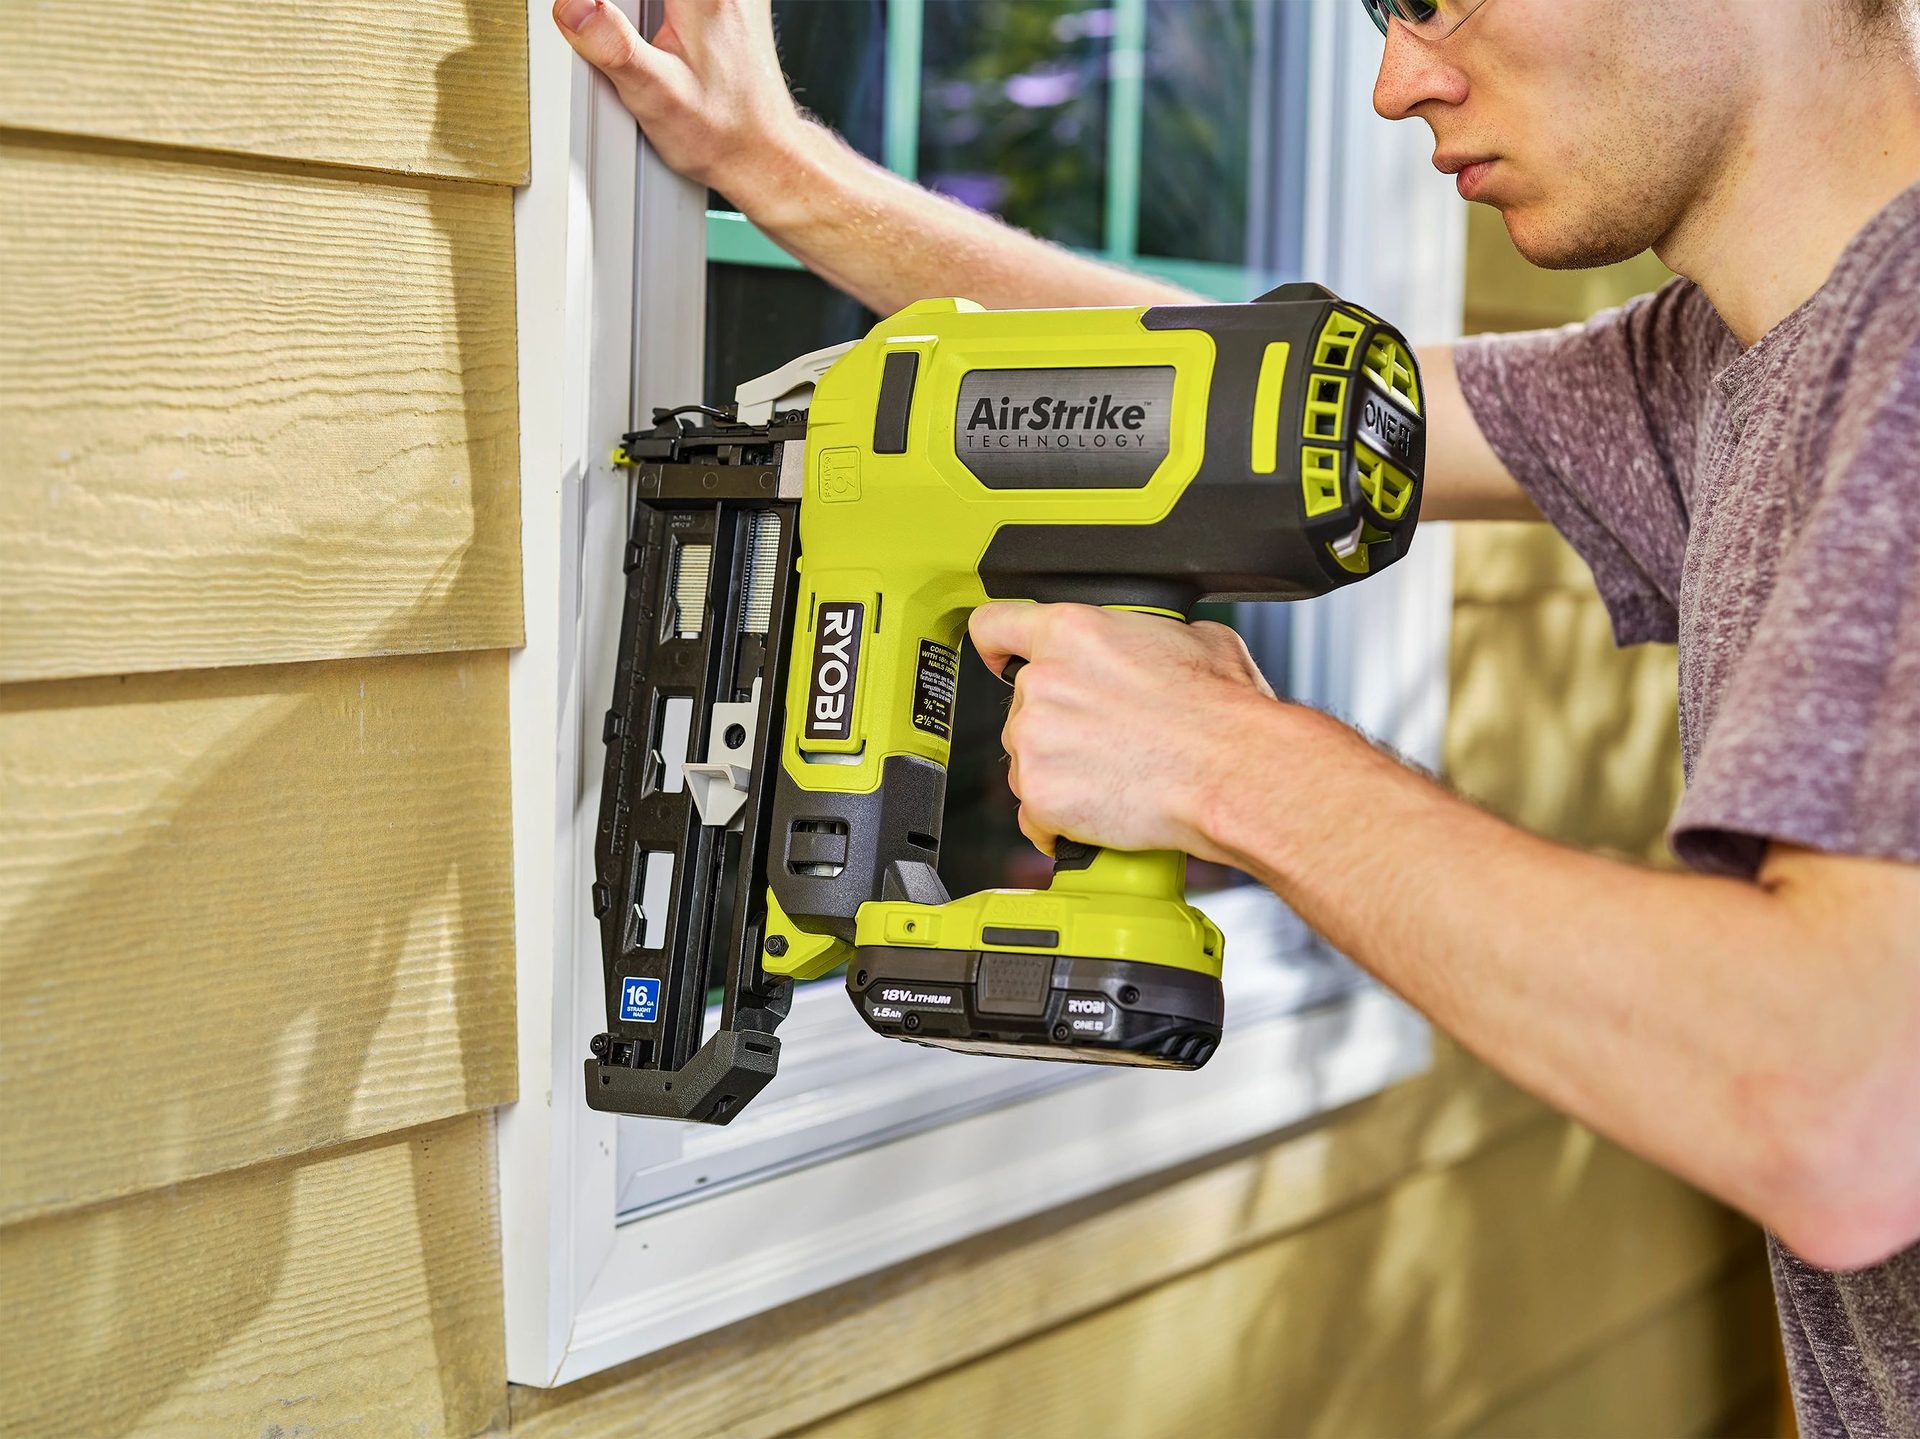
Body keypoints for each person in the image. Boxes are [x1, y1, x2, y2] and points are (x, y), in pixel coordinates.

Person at [550, 0, 1920, 1428]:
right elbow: (1201, 402)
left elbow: (1832, 1106)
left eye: (1435, 0)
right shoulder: (1725, 365)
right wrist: (775, 167)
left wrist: (1225, 762)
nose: (1394, 85)